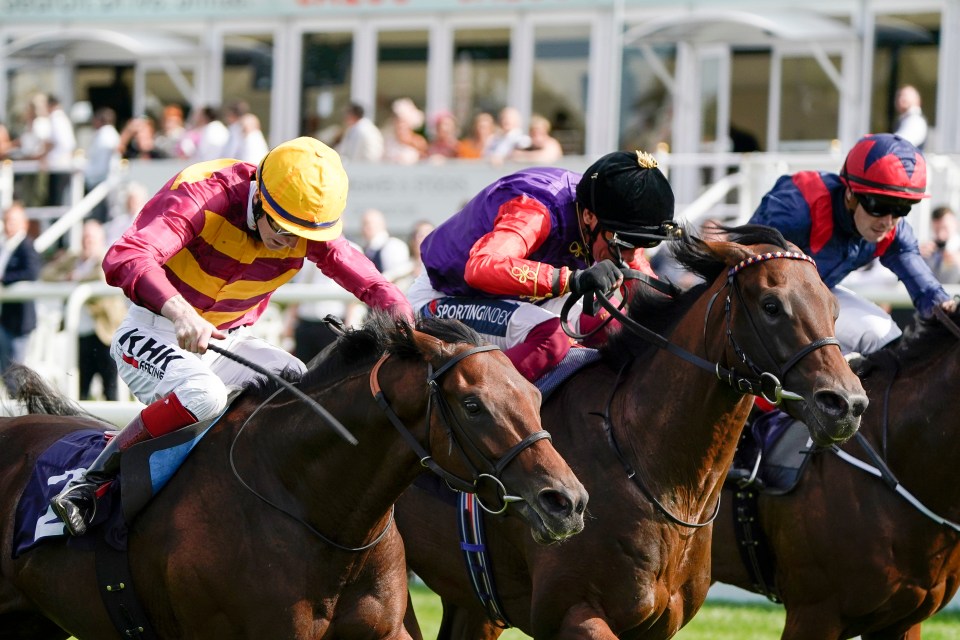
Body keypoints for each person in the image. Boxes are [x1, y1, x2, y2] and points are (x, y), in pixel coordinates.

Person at [50, 136, 413, 536]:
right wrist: (179, 310)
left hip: (229, 340)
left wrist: (406, 325)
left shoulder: (306, 225)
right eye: (282, 227)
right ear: (259, 196)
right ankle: (92, 483)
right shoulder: (205, 193)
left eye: (302, 235)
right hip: (153, 330)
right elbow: (125, 256)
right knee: (204, 394)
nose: (290, 243)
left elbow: (375, 287)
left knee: (301, 382)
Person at [406, 150, 677, 381]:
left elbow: (645, 285)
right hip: (446, 298)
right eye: (624, 243)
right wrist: (572, 280)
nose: (630, 256)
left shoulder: (605, 214)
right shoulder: (535, 211)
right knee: (552, 337)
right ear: (588, 216)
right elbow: (481, 266)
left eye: (638, 244)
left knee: (611, 324)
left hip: (513, 298)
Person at [750, 133, 956, 356]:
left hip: (815, 294)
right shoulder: (798, 209)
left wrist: (946, 308)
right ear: (851, 194)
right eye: (880, 205)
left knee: (885, 339)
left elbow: (926, 290)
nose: (888, 221)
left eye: (901, 208)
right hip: (756, 299)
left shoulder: (894, 232)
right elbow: (747, 267)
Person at [40, 219, 126, 400]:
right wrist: (67, 277)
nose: (87, 242)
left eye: (92, 239)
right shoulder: (73, 259)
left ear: (101, 240)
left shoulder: (107, 258)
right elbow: (47, 274)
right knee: (81, 388)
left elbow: (101, 277)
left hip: (104, 333)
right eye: (85, 238)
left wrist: (75, 277)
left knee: (110, 388)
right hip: (79, 334)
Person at [0, 201, 41, 391]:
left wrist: (4, 279)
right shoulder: (4, 246)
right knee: (5, 370)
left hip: (19, 321)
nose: (9, 225)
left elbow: (31, 272)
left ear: (23, 223)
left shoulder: (27, 246)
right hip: (4, 318)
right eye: (7, 220)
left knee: (16, 371)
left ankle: (19, 413)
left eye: (13, 221)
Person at [83, 107, 121, 223]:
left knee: (100, 219)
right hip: (102, 182)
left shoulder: (105, 135)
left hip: (102, 183)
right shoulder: (109, 134)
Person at [359, 208, 411, 277]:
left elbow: (396, 276)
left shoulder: (394, 246)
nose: (364, 228)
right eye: (363, 224)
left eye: (367, 223)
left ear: (382, 224)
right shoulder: (367, 249)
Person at [920, 205, 960, 284]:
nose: (940, 235)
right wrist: (915, 258)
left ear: (956, 224)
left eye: (945, 228)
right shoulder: (926, 251)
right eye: (937, 230)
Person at [892, 84, 928, 150]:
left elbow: (901, 143)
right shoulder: (903, 119)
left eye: (905, 96)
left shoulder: (916, 120)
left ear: (917, 100)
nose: (901, 99)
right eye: (899, 96)